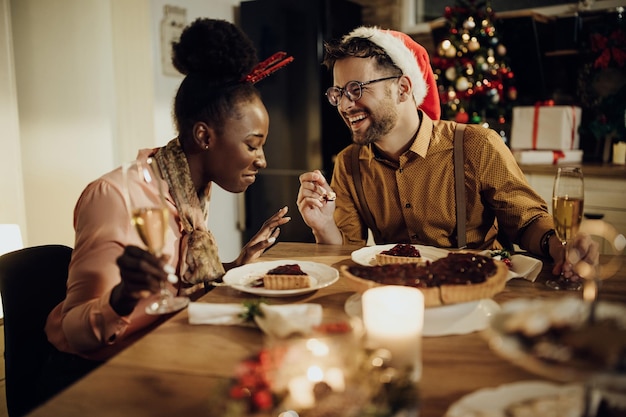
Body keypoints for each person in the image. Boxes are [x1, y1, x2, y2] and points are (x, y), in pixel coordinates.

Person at [40, 18, 292, 400]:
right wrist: (123, 296)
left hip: (164, 349)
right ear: (204, 136)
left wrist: (235, 267)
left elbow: (175, 291)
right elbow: (77, 332)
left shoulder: (189, 192)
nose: (262, 160)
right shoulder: (115, 196)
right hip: (92, 377)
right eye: (253, 145)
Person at [296, 26, 597, 281]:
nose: (346, 105)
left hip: (476, 289)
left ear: (402, 89)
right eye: (339, 94)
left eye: (356, 88)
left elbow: (527, 222)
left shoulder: (476, 145)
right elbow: (349, 254)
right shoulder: (349, 163)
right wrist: (324, 226)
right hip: (397, 297)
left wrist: (560, 247)